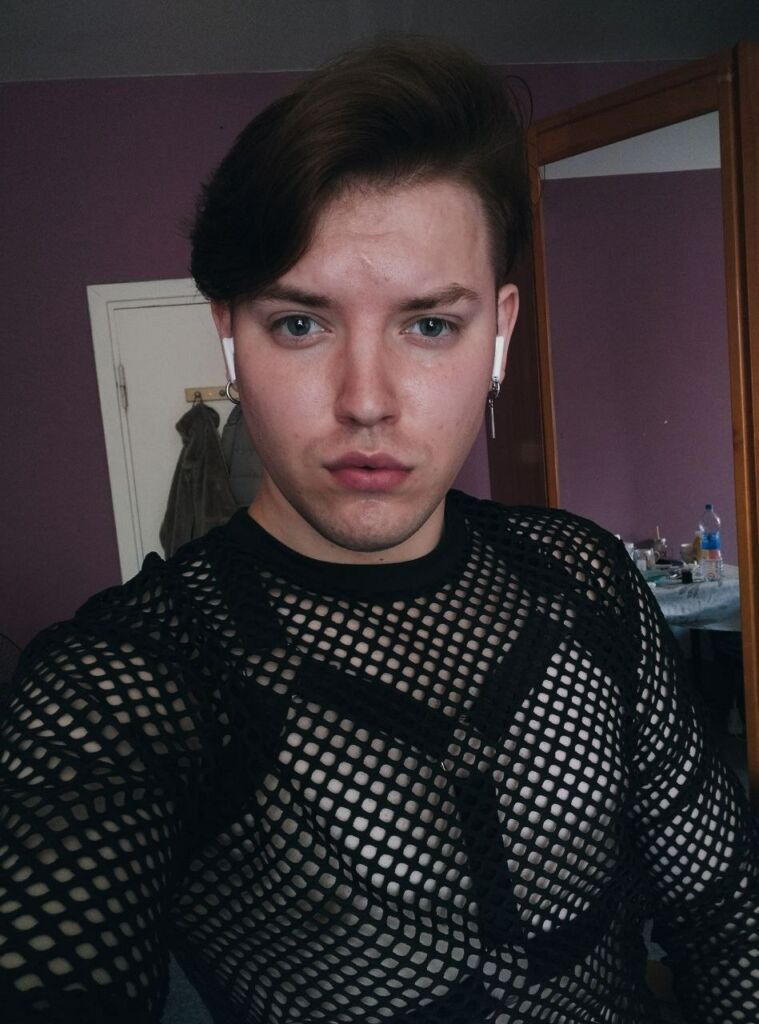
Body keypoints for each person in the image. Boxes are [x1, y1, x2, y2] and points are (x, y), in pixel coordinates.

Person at [1, 36, 757, 1024]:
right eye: (300, 323)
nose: (366, 399)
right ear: (228, 335)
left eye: (430, 324)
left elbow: (725, 912)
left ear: (499, 332)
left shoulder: (585, 577)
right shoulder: (130, 680)